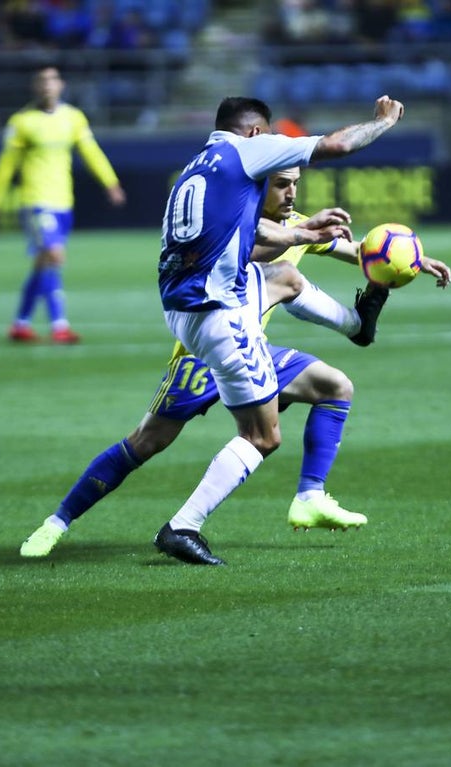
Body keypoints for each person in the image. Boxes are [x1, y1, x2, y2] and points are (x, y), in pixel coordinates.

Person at [19, 166, 451, 562]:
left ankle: (309, 497)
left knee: (334, 386)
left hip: (253, 350)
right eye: (282, 184)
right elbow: (267, 258)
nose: (290, 192)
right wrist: (297, 238)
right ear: (259, 184)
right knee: (145, 442)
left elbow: (357, 250)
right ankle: (56, 523)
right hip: (204, 355)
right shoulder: (232, 226)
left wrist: (410, 261)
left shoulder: (298, 226)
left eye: (295, 184)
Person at [154, 94, 408, 565]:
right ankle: (182, 526)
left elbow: (255, 233)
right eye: (270, 135)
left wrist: (305, 235)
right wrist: (383, 123)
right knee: (262, 437)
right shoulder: (247, 151)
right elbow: (334, 145)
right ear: (254, 132)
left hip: (184, 306)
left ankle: (355, 327)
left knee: (321, 361)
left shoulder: (199, 166)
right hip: (218, 311)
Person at [0, 65, 126, 345]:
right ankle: (59, 325)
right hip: (35, 201)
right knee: (54, 256)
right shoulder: (22, 121)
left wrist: (110, 183)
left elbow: (91, 152)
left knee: (42, 264)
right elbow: (6, 163)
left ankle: (20, 323)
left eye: (52, 80)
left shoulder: (73, 118)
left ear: (61, 85)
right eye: (41, 81)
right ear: (34, 87)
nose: (47, 86)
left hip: (63, 202)